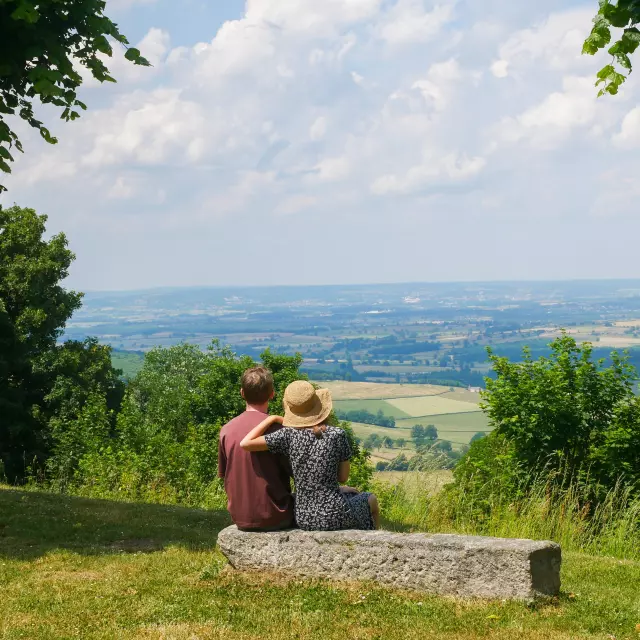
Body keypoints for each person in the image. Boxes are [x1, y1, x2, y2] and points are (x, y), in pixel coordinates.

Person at [240, 380, 380, 531]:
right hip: (336, 513)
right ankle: (375, 540)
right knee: (371, 500)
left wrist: (272, 418)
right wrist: (340, 489)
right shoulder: (337, 434)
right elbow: (342, 478)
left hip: (303, 517)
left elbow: (245, 443)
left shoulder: (287, 435)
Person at [218, 367, 294, 531]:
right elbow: (297, 473)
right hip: (276, 515)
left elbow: (225, 475)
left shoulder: (226, 430)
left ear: (242, 393)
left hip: (240, 518)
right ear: (272, 394)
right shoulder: (278, 430)